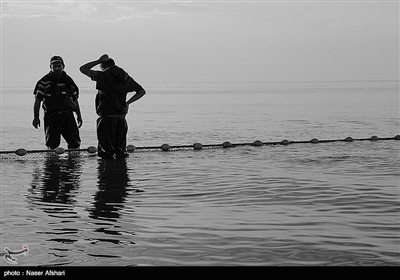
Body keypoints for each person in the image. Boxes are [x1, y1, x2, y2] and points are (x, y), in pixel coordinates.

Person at [79, 54, 146, 159]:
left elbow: (83, 69)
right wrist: (127, 103)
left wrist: (98, 60)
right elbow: (141, 91)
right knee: (121, 152)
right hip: (121, 118)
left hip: (106, 118)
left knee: (106, 153)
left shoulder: (102, 76)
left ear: (103, 67)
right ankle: (121, 173)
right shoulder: (125, 77)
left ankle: (107, 173)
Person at [32, 56, 83, 150]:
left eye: (59, 66)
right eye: (54, 66)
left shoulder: (69, 82)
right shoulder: (44, 81)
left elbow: (75, 100)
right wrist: (36, 118)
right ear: (50, 67)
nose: (56, 68)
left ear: (63, 66)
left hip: (68, 115)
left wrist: (79, 116)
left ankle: (73, 163)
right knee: (52, 144)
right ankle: (52, 163)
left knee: (74, 143)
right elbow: (38, 101)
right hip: (52, 116)